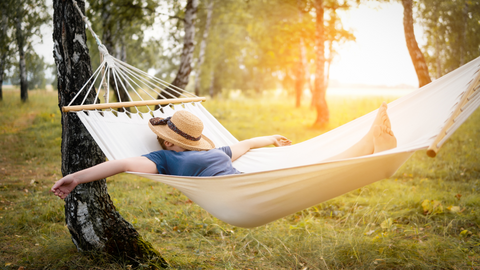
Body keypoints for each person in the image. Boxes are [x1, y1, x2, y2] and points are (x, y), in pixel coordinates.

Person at [51, 103, 396, 200]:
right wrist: (74, 178)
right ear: (168, 143)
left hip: (250, 181)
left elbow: (242, 146)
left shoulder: (218, 151)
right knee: (315, 168)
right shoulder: (163, 160)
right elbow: (121, 163)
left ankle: (375, 150)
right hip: (241, 196)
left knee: (311, 163)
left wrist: (269, 138)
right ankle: (375, 152)